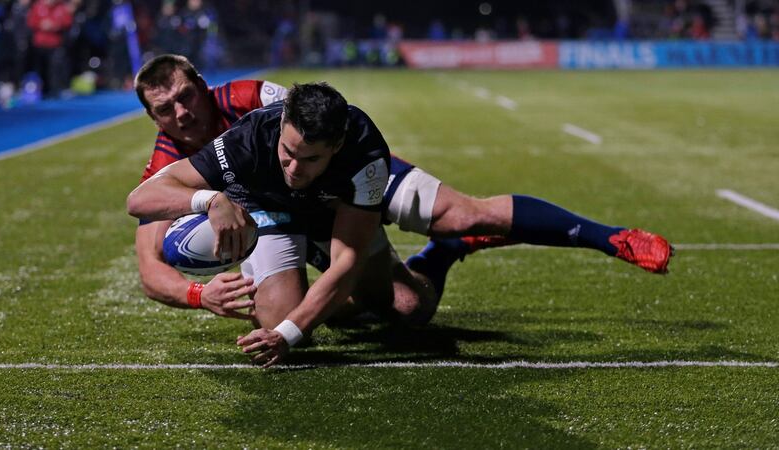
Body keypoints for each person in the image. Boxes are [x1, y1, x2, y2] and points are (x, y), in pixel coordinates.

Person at [132, 54, 673, 323]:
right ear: (153, 117)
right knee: (404, 308)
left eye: (186, 96)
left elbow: (320, 120)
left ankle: (610, 237)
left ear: (202, 86)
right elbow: (150, 264)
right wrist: (200, 294)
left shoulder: (255, 98)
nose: (181, 113)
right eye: (165, 108)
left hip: (342, 175)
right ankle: (443, 254)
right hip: (283, 214)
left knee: (463, 212)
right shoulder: (167, 163)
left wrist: (359, 169)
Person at [128, 82, 440, 367]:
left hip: (327, 209)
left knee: (410, 306)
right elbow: (139, 200)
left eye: (311, 159)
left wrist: (286, 335)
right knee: (282, 319)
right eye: (288, 152)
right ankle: (309, 300)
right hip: (268, 207)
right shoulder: (249, 137)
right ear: (281, 126)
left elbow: (347, 260)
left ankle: (441, 253)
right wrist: (211, 200)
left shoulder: (364, 149)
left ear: (337, 145)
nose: (294, 168)